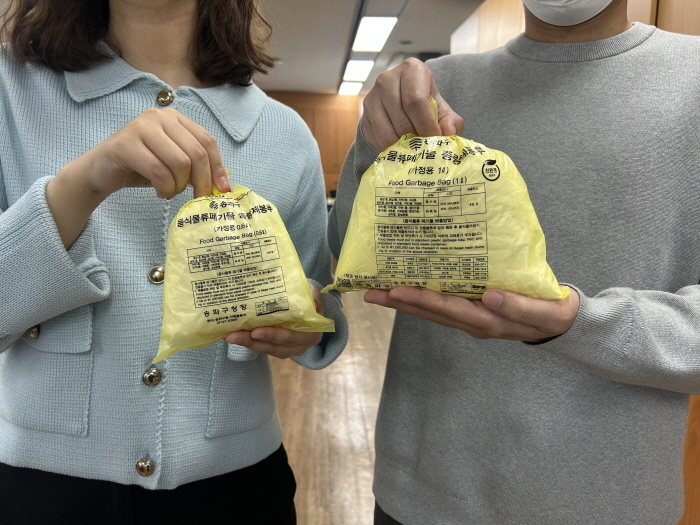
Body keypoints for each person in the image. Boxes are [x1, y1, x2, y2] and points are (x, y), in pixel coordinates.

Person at [328, 0, 700, 523]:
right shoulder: (434, 87)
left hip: (607, 504)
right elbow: (351, 249)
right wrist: (375, 144)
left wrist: (579, 323)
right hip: (418, 492)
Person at [0, 0, 347, 523]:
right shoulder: (10, 91)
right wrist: (82, 184)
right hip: (41, 488)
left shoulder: (285, 132)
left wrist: (305, 324)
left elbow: (319, 297)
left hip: (237, 488)